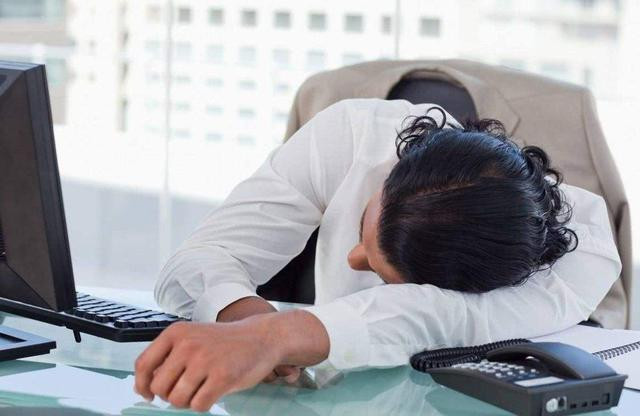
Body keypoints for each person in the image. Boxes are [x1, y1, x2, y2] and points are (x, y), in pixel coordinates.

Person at [134, 99, 621, 412]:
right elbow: (195, 262)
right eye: (363, 223)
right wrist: (244, 319)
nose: (352, 258)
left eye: (382, 273)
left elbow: (444, 317)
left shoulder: (584, 260)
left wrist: (278, 336)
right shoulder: (353, 136)